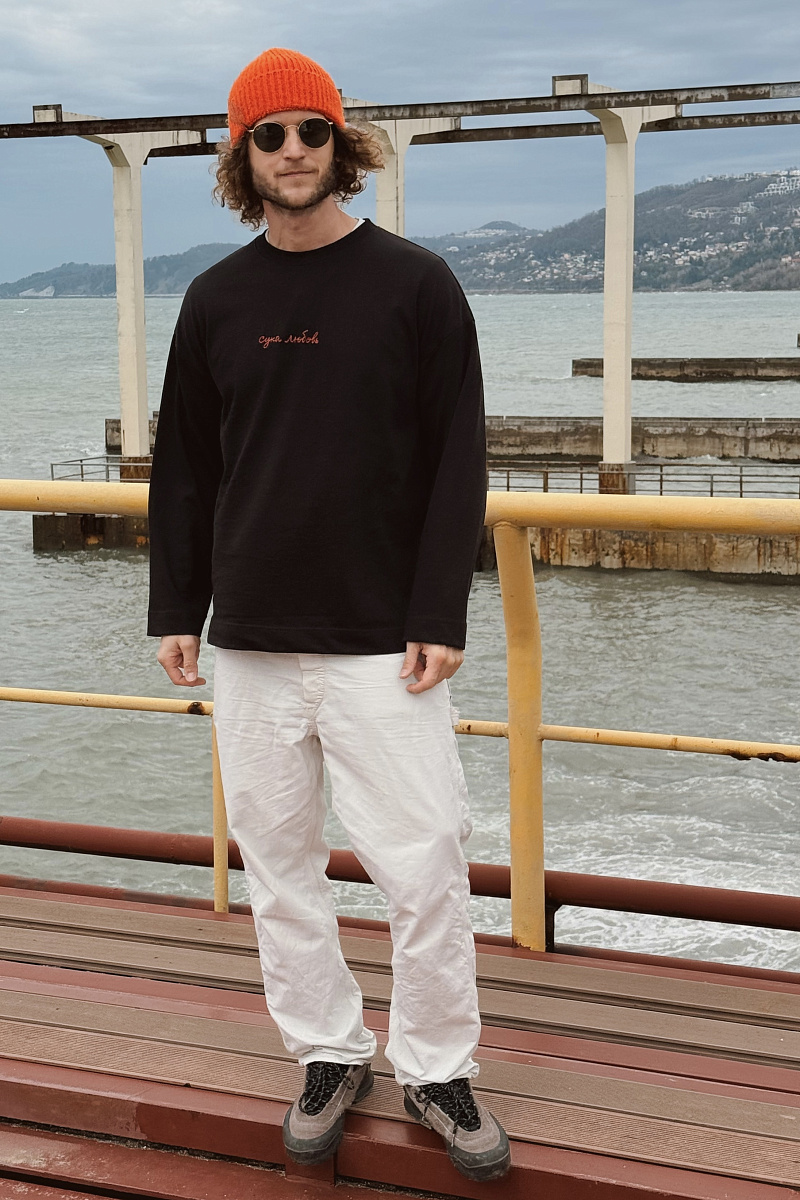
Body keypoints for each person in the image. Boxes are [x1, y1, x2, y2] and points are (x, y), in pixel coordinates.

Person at [147, 47, 510, 1183]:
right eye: (270, 134)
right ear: (242, 156)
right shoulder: (214, 298)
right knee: (278, 864)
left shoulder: (416, 284)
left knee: (424, 862)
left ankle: (437, 1067)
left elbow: (458, 459)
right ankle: (326, 1050)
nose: (293, 150)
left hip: (382, 641)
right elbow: (186, 469)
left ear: (340, 146)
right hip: (250, 639)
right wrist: (177, 606)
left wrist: (439, 609)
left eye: (312, 130)